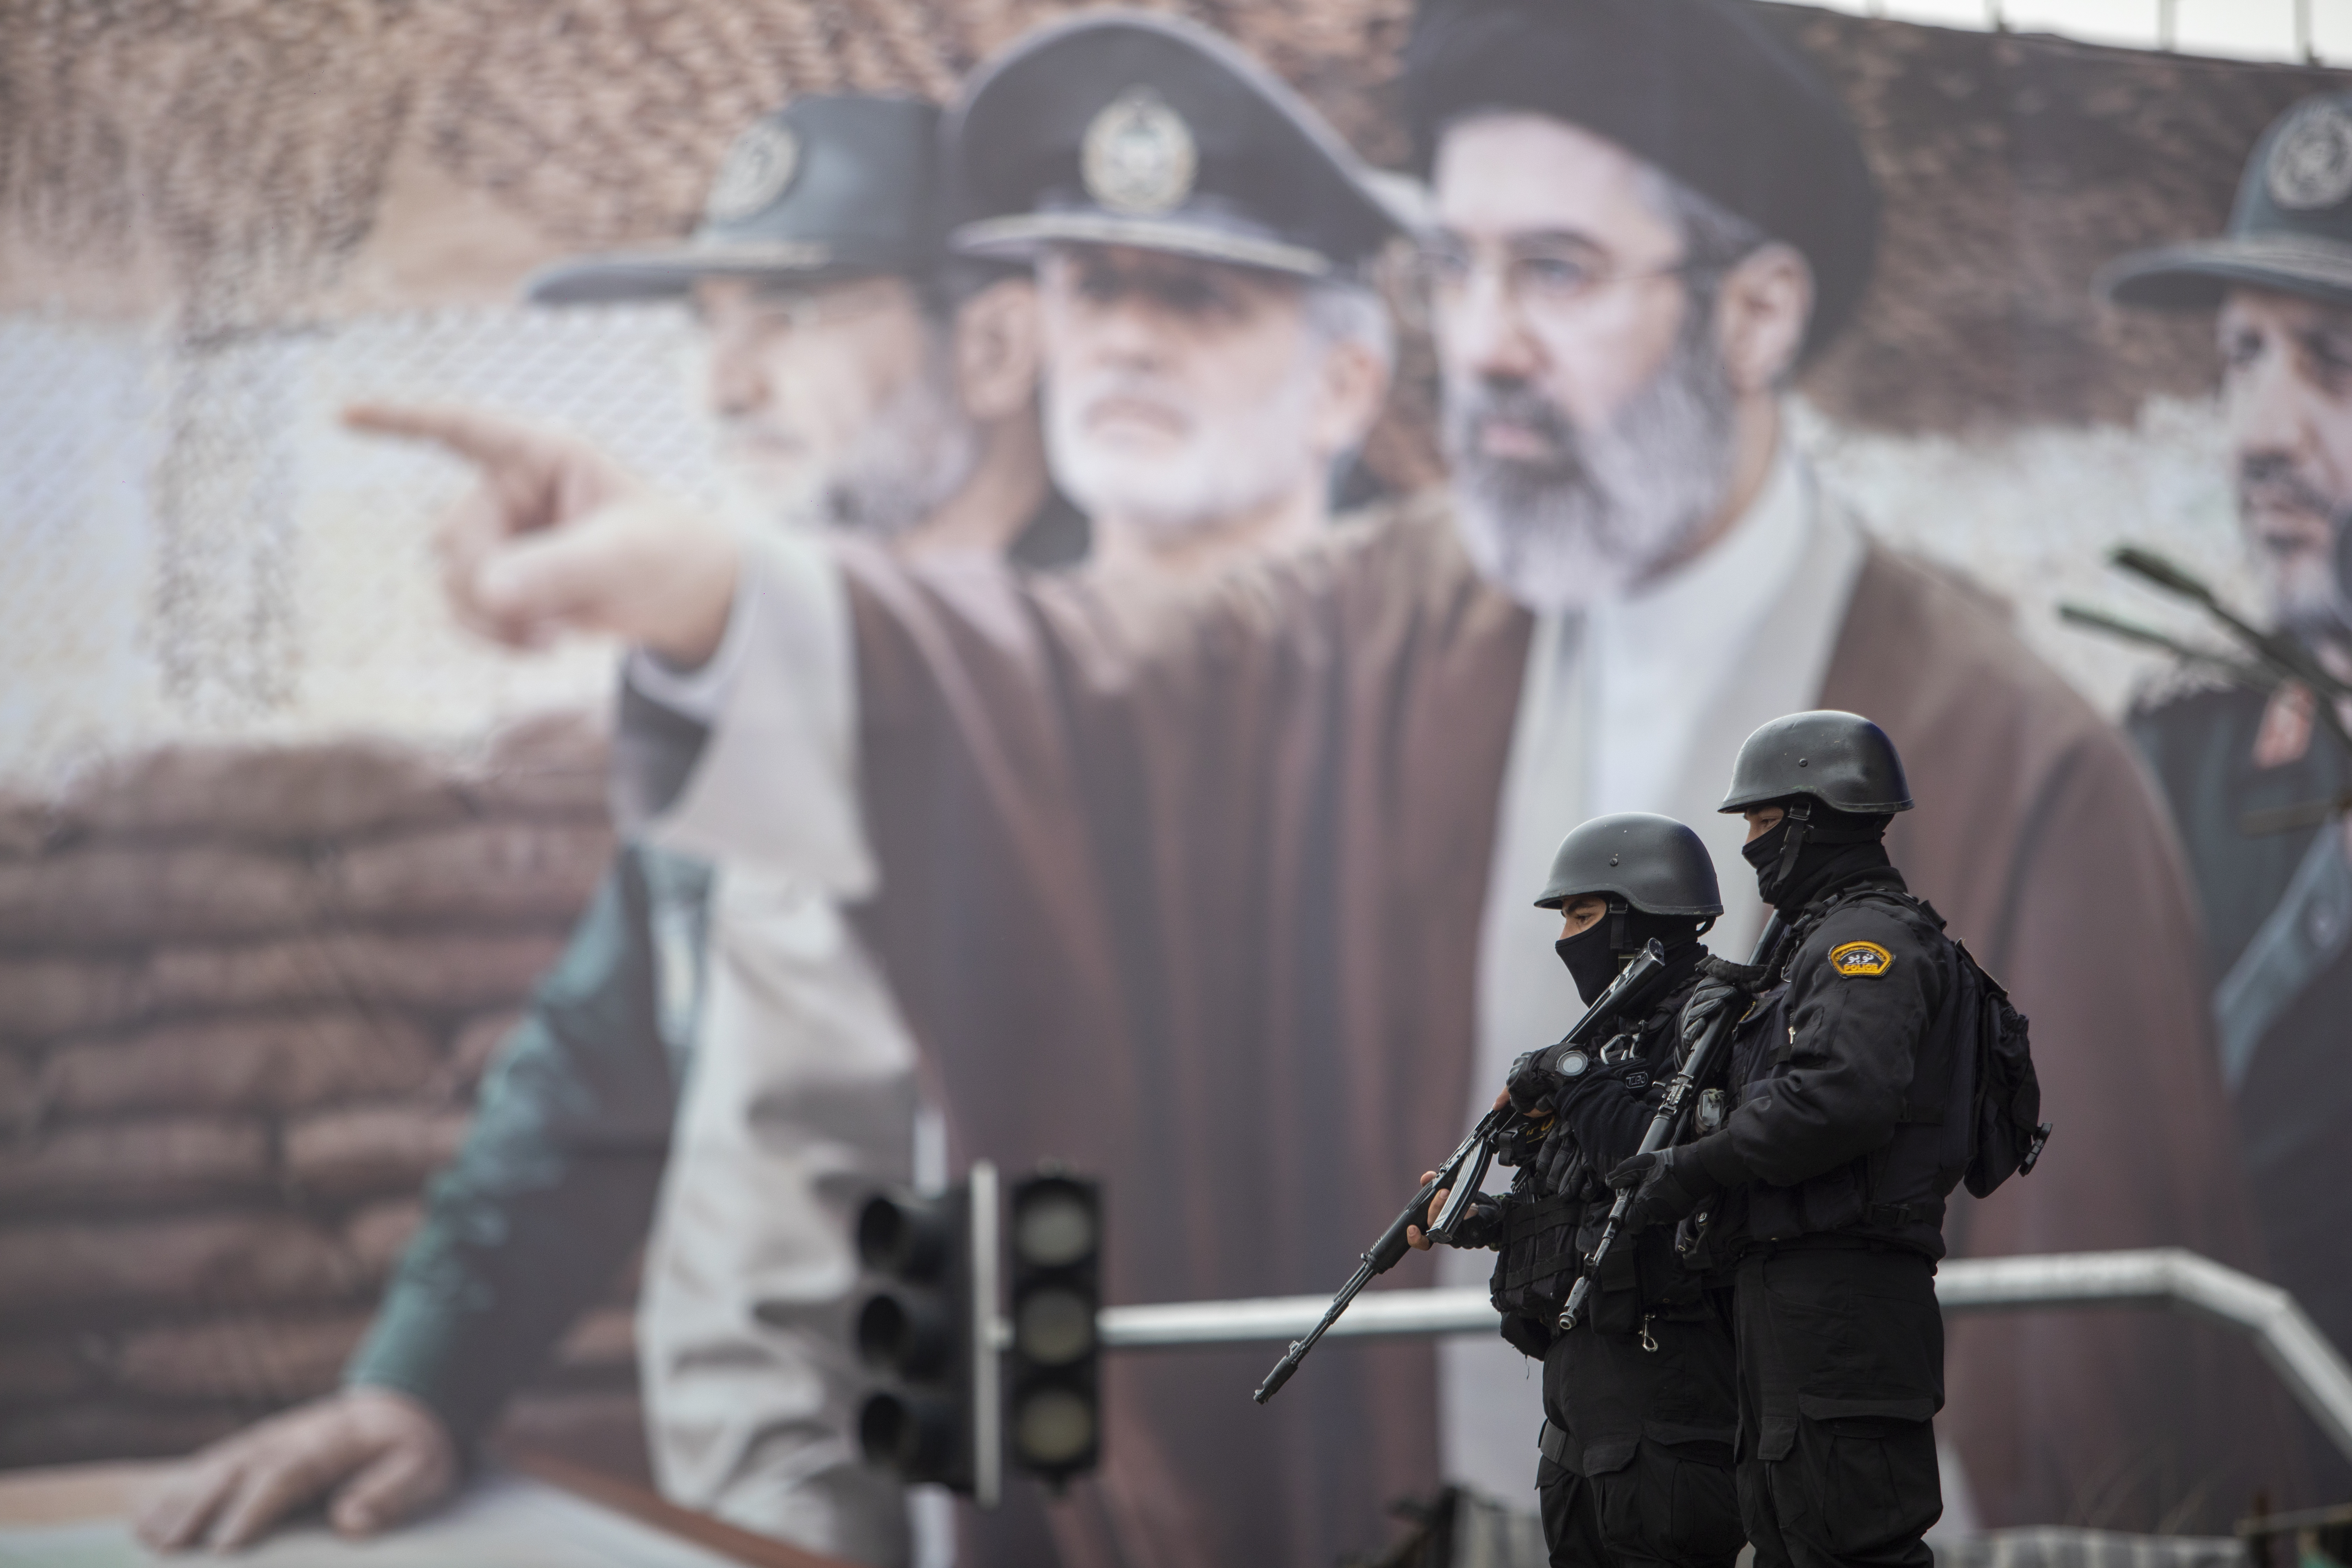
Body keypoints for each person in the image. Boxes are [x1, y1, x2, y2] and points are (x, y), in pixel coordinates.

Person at [352, 0, 2284, 1555]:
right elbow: (1067, 695)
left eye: (1556, 272)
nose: (1489, 347)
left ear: (1755, 311)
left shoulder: (2010, 759)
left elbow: (2094, 1388)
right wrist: (714, 597)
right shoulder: (1388, 622)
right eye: (1458, 269)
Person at [134, 94, 1072, 1566]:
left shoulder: (1159, 689)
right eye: (707, 323)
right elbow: (604, 1065)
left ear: (999, 347)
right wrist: (423, 1382)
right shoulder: (747, 678)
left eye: (795, 310)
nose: (727, 383)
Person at [2098, 90, 2352, 1496]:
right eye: (2241, 357)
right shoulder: (2174, 761)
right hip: (2204, 1488)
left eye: (2328, 360)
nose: (2263, 429)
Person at [1609, 713, 1958, 1568]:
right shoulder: (1808, 942)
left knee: (1844, 1542)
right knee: (1791, 1536)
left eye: (1763, 823)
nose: (1753, 846)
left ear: (1815, 815)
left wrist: (1689, 1170)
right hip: (1795, 1294)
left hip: (1844, 1293)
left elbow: (1840, 1096)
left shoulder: (1862, 940)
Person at [943, 10, 1401, 579]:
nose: (1127, 342)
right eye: (1094, 287)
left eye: (1199, 298)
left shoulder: (1425, 665)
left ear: (1342, 390)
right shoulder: (975, 663)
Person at [1410, 813, 1742, 1568]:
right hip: (1581, 1405)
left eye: (1583, 914)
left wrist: (1570, 1079)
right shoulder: (1606, 1036)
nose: (1567, 936)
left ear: (1636, 917)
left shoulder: (1711, 1018)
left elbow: (1666, 1170)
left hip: (1667, 1385)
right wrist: (1475, 1217)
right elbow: (1581, 1202)